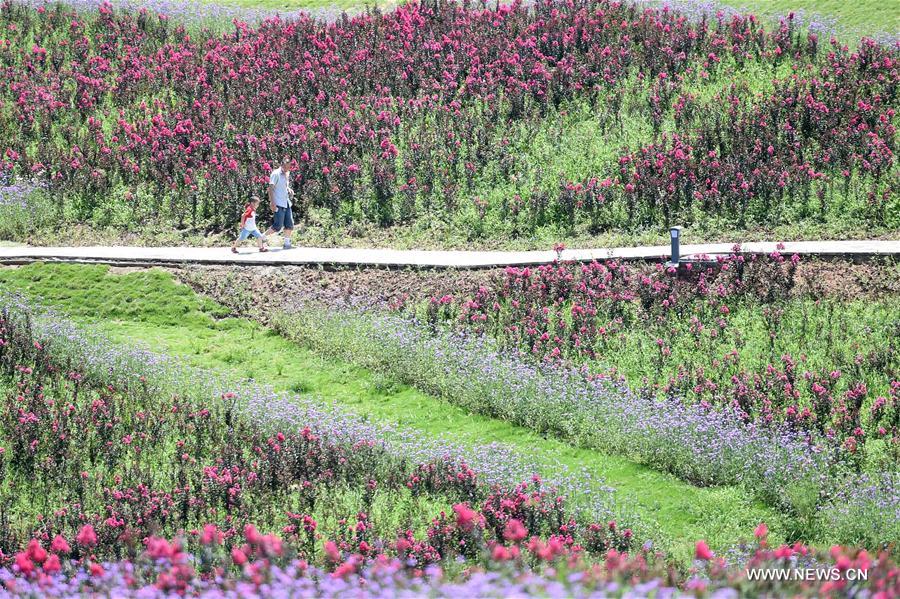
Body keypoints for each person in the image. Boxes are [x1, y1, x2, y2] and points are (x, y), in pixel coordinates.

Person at [264, 156, 296, 250]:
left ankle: (287, 243)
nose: (287, 169)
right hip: (278, 203)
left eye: (288, 167)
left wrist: (289, 189)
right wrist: (272, 203)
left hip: (286, 202)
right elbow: (270, 189)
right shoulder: (275, 174)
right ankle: (262, 237)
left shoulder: (287, 173)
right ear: (281, 165)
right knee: (277, 226)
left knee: (289, 224)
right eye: (285, 167)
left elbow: (284, 185)